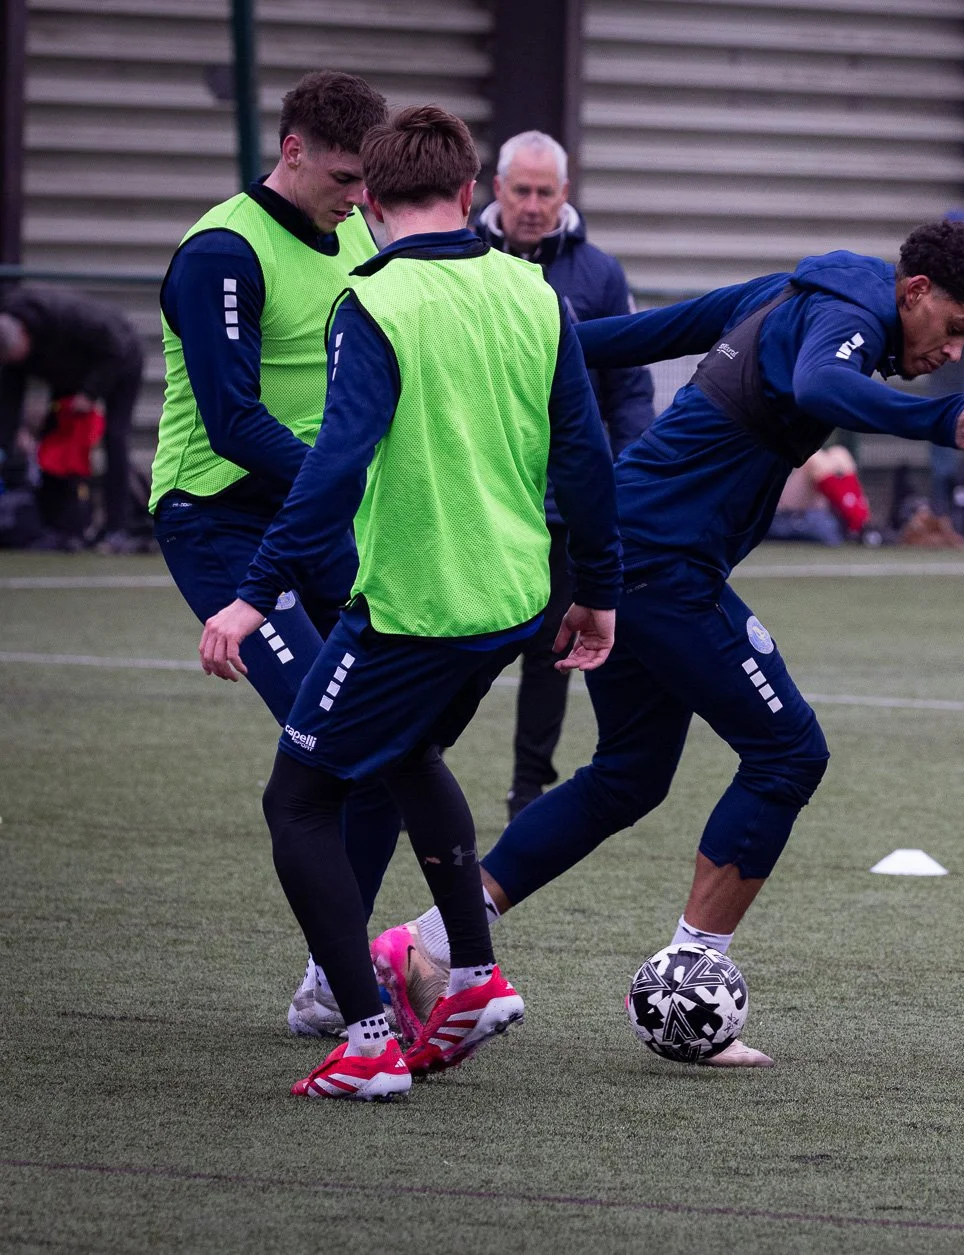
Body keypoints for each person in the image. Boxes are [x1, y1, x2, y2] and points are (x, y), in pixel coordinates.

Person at [368, 220, 964, 1067]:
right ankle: (693, 972)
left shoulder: (790, 290)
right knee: (790, 753)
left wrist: (529, 339)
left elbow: (649, 333)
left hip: (627, 553)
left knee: (631, 775)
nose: (954, 353)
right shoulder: (848, 318)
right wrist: (941, 421)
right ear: (915, 292)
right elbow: (823, 385)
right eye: (958, 328)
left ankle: (423, 944)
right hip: (661, 567)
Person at [196, 105, 623, 1100]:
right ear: (473, 194)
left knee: (298, 798)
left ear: (372, 205)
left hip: (412, 608)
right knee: (406, 753)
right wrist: (597, 591)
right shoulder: (533, 292)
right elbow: (589, 460)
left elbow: (333, 468)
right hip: (514, 601)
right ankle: (472, 981)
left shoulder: (375, 301)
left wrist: (250, 594)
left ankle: (367, 1037)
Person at [146, 70, 405, 1037]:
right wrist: (337, 477)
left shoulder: (357, 233)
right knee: (328, 744)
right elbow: (231, 420)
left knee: (388, 740)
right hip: (218, 520)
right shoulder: (222, 251)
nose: (355, 198)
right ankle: (348, 987)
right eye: (343, 177)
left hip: (319, 518)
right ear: (291, 150)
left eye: (365, 182)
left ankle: (329, 976)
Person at [477, 129, 655, 820]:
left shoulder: (599, 275)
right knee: (459, 639)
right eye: (519, 190)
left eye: (543, 192)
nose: (530, 204)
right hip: (481, 492)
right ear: (496, 190)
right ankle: (406, 764)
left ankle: (529, 786)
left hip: (560, 501)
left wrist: (630, 471)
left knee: (552, 648)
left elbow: (628, 388)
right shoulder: (457, 252)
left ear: (564, 195)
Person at [0, 284, 145, 548]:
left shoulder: (64, 317)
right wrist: (7, 443)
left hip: (121, 359)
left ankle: (118, 527)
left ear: (23, 335)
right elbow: (9, 400)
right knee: (54, 443)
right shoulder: (13, 348)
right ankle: (60, 525)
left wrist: (90, 393)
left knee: (115, 438)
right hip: (71, 375)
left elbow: (116, 346)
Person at [767, 445, 873, 545]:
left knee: (839, 453)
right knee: (814, 459)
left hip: (817, 516)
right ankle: (858, 521)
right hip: (782, 519)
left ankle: (858, 520)